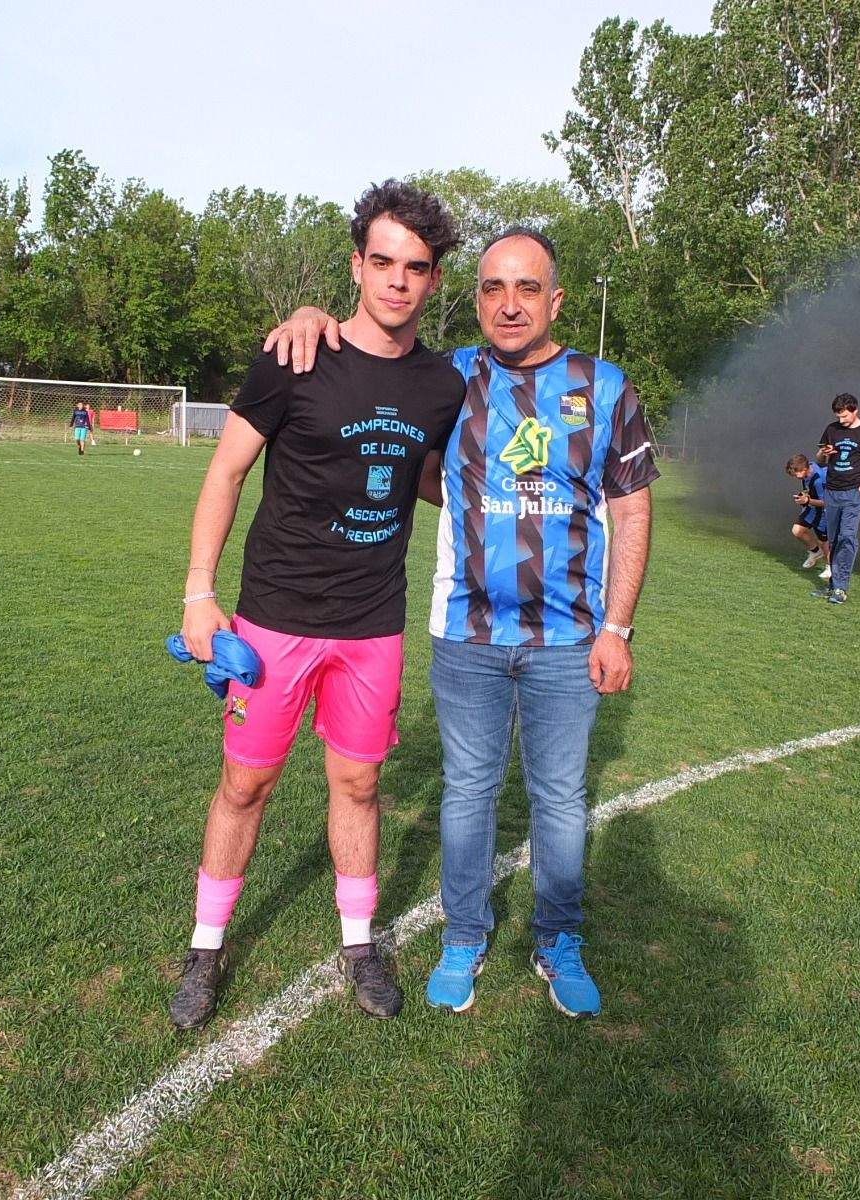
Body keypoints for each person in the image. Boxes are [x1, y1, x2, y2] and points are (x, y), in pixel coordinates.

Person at [265, 226, 659, 1020]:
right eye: (491, 288)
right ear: (473, 297)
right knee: (468, 793)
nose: (508, 305)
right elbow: (367, 357)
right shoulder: (448, 377)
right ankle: (463, 937)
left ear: (556, 299)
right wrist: (311, 313)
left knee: (559, 797)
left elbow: (632, 505)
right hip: (467, 633)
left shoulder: (605, 385)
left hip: (569, 639)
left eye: (526, 288)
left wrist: (618, 627)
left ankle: (559, 939)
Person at [169, 180, 465, 1030]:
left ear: (434, 280)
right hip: (273, 619)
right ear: (356, 265)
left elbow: (433, 482)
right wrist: (199, 594)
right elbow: (225, 473)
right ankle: (205, 948)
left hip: (372, 626)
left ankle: (359, 944)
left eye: (416, 267)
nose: (398, 281)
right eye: (382, 262)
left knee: (360, 783)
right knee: (244, 783)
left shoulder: (442, 387)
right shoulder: (296, 355)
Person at [815, 393, 860, 604]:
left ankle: (841, 587)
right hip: (832, 492)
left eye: (845, 416)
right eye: (838, 416)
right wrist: (825, 453)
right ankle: (832, 586)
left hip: (854, 493)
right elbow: (819, 460)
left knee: (847, 537)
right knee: (834, 539)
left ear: (855, 410)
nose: (842, 420)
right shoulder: (832, 430)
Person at [785, 452, 831, 581]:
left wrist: (807, 501)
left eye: (796, 474)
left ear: (804, 469)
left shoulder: (819, 480)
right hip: (811, 507)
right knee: (797, 531)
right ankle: (815, 552)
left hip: (823, 511)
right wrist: (804, 496)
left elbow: (826, 502)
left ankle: (830, 566)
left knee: (824, 541)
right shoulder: (808, 467)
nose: (796, 477)